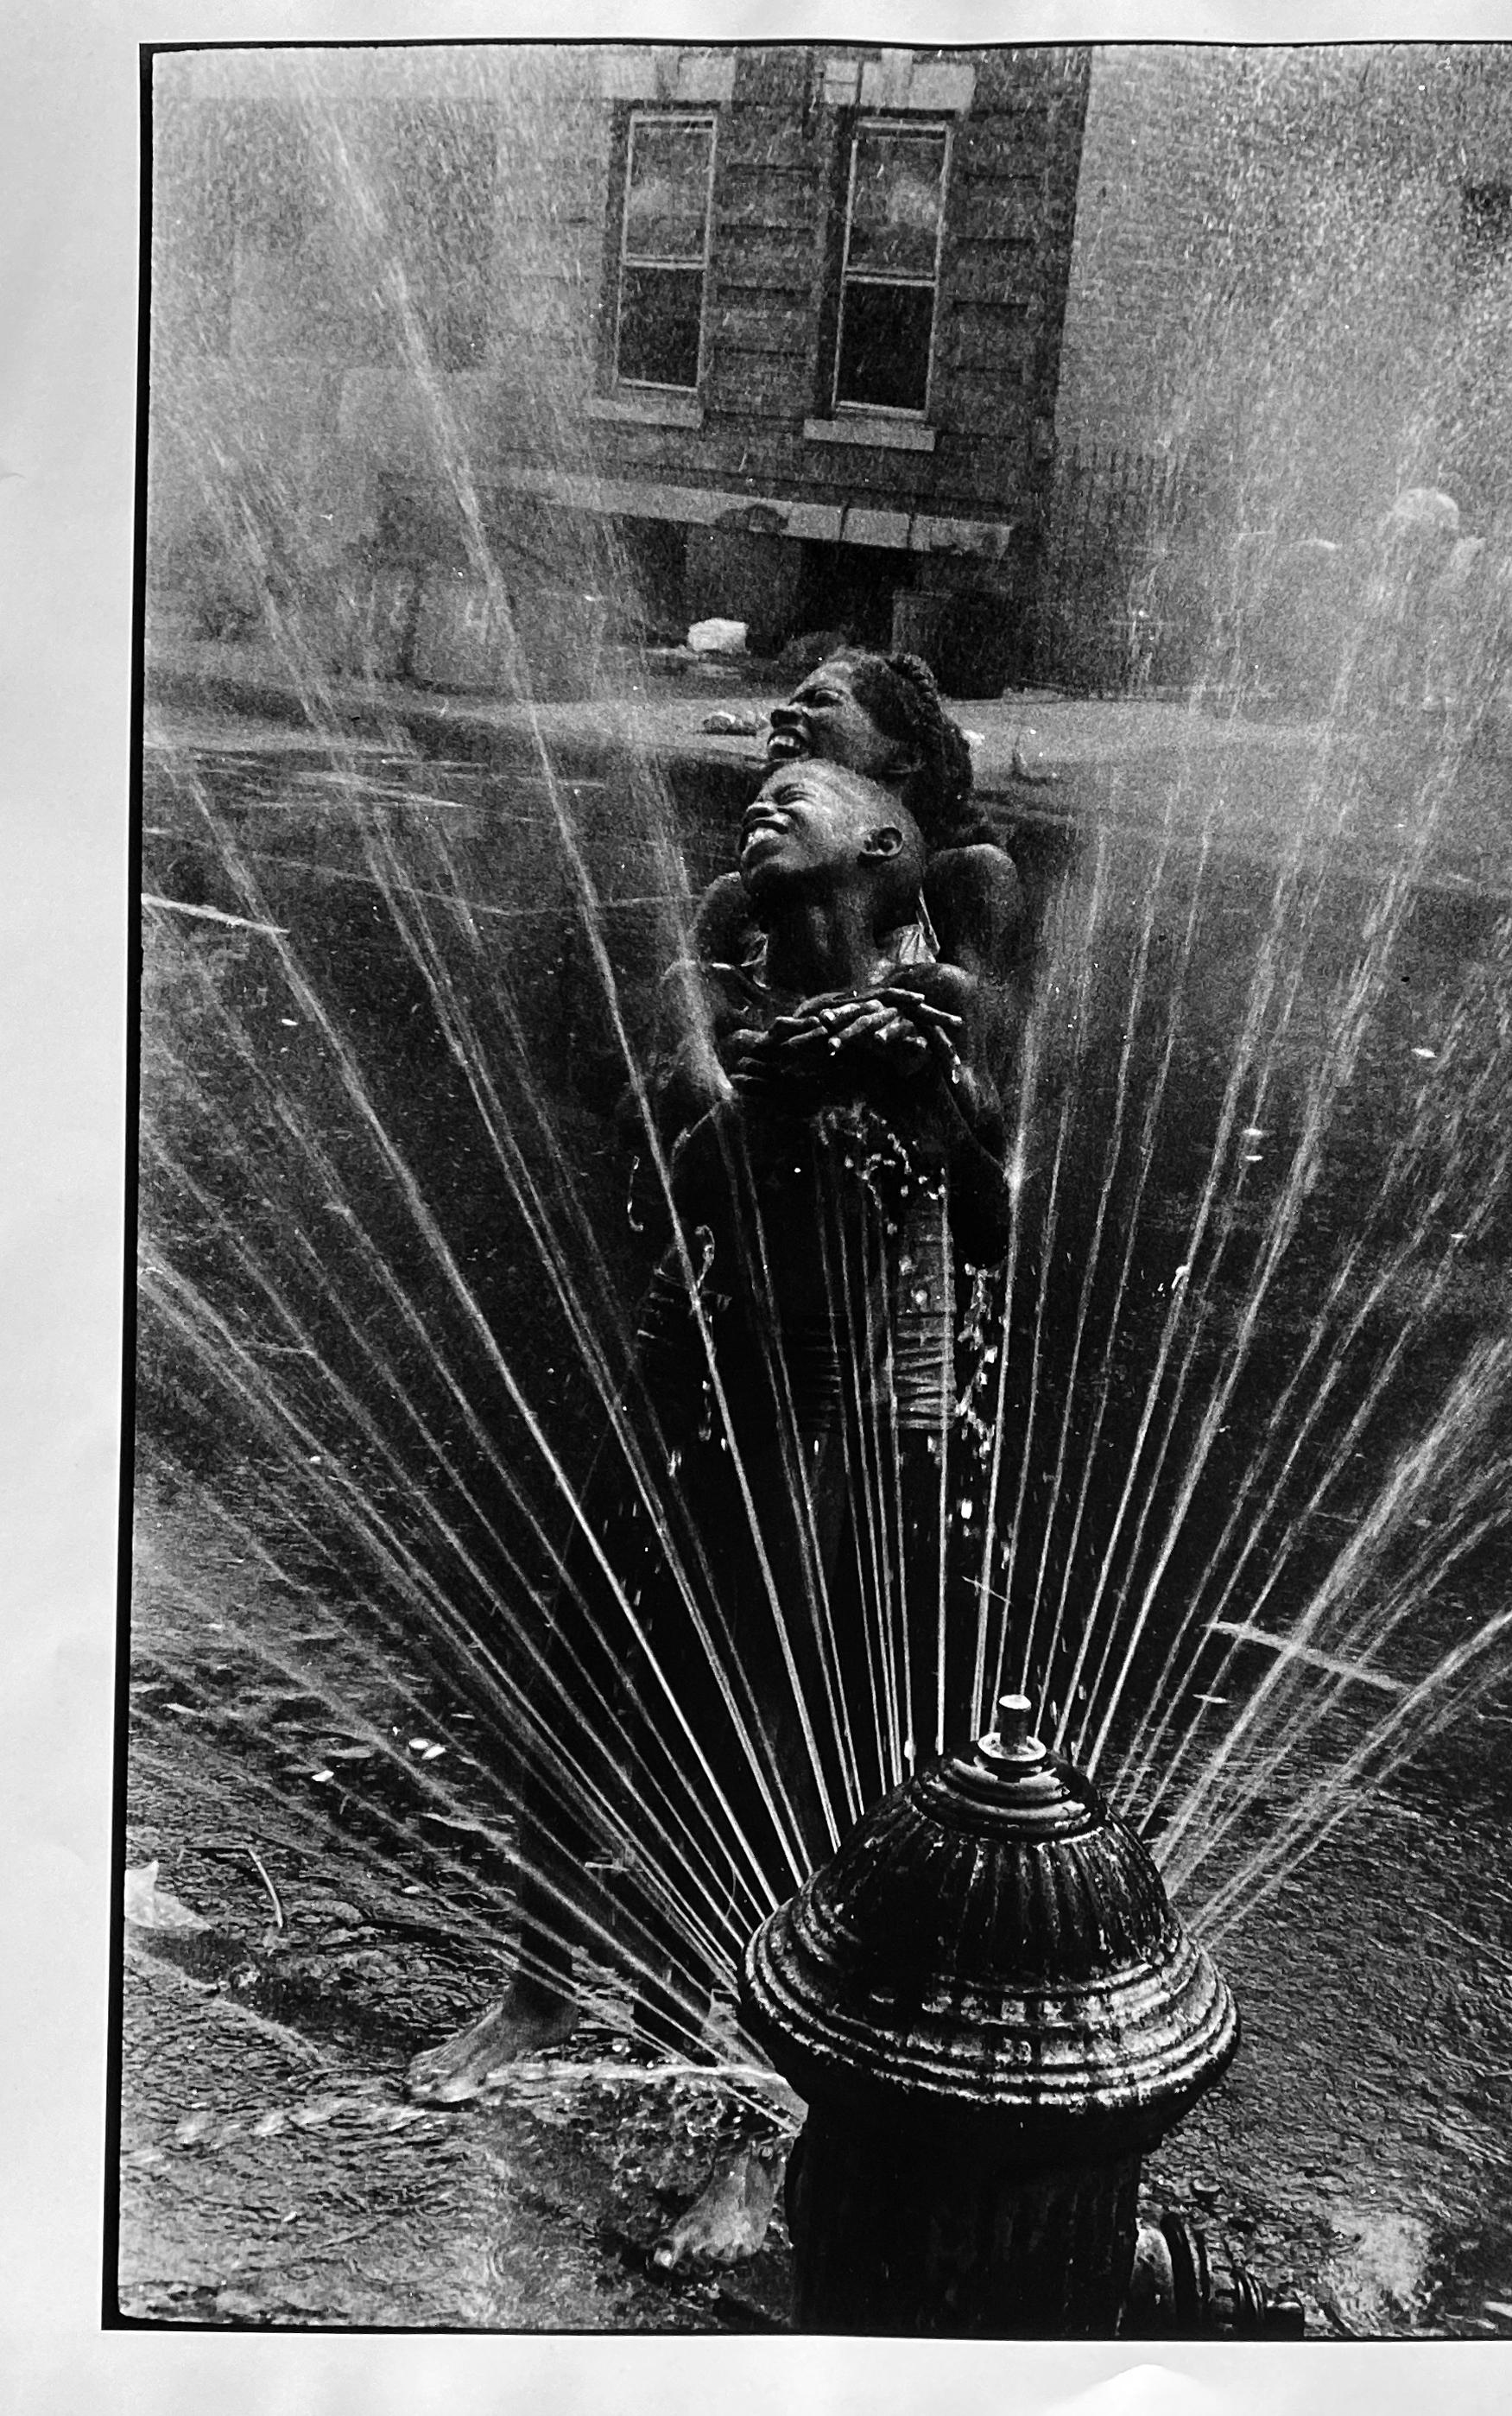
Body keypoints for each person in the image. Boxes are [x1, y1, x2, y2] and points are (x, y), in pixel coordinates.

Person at [408, 761, 1009, 2103]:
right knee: (577, 1670)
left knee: (761, 1725)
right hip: (683, 1378)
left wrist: (922, 1088)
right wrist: (751, 1093)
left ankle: (729, 2060)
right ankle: (535, 1987)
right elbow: (655, 1155)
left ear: (883, 837)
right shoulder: (732, 980)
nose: (765, 788)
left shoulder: (931, 999)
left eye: (801, 779)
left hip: (831, 1422)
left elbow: (986, 1223)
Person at [693, 649, 1027, 1072]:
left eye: (821, 700)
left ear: (903, 757)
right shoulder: (737, 896)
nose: (783, 711)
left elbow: (986, 1042)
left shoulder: (965, 877)